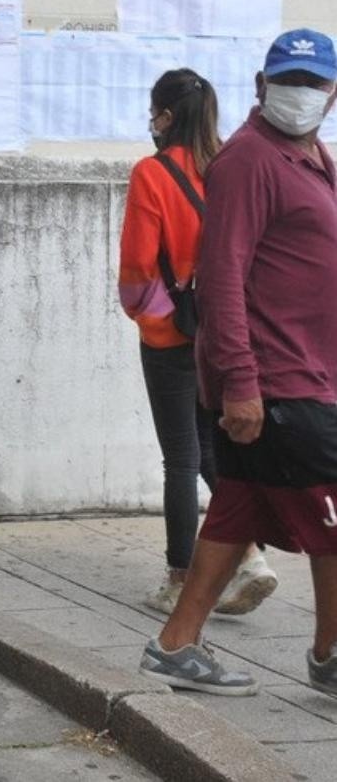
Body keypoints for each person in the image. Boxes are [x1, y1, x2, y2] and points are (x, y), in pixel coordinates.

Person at [140, 29, 337, 701]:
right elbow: (221, 278)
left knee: (234, 513)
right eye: (289, 80)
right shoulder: (250, 159)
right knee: (333, 518)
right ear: (258, 85)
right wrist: (241, 384)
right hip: (276, 378)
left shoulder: (312, 158)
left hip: (310, 372)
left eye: (313, 83)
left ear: (333, 92)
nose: (300, 94)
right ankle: (331, 654)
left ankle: (175, 646)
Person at [119, 68, 277, 615]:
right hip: (226, 332)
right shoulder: (229, 168)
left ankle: (178, 577)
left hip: (171, 335)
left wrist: (154, 320)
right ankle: (252, 557)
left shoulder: (152, 174)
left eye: (153, 111)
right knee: (214, 449)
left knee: (181, 460)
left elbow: (139, 271)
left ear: (164, 116)